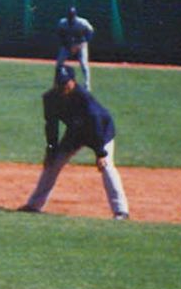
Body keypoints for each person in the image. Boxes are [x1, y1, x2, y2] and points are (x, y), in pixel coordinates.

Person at [21, 63, 131, 220]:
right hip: (76, 132)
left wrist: (100, 153)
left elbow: (96, 124)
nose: (63, 86)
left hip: (101, 131)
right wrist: (51, 150)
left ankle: (121, 211)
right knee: (53, 163)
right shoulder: (50, 98)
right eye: (59, 83)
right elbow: (51, 126)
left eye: (65, 83)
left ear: (73, 82)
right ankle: (34, 205)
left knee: (107, 167)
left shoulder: (84, 98)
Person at [55, 5, 95, 86]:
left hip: (80, 44)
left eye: (72, 16)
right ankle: (57, 82)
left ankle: (87, 83)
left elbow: (90, 33)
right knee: (59, 63)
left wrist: (81, 45)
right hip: (67, 44)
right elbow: (59, 35)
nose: (71, 19)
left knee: (83, 63)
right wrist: (67, 45)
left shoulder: (82, 22)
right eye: (69, 17)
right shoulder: (63, 22)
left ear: (75, 16)